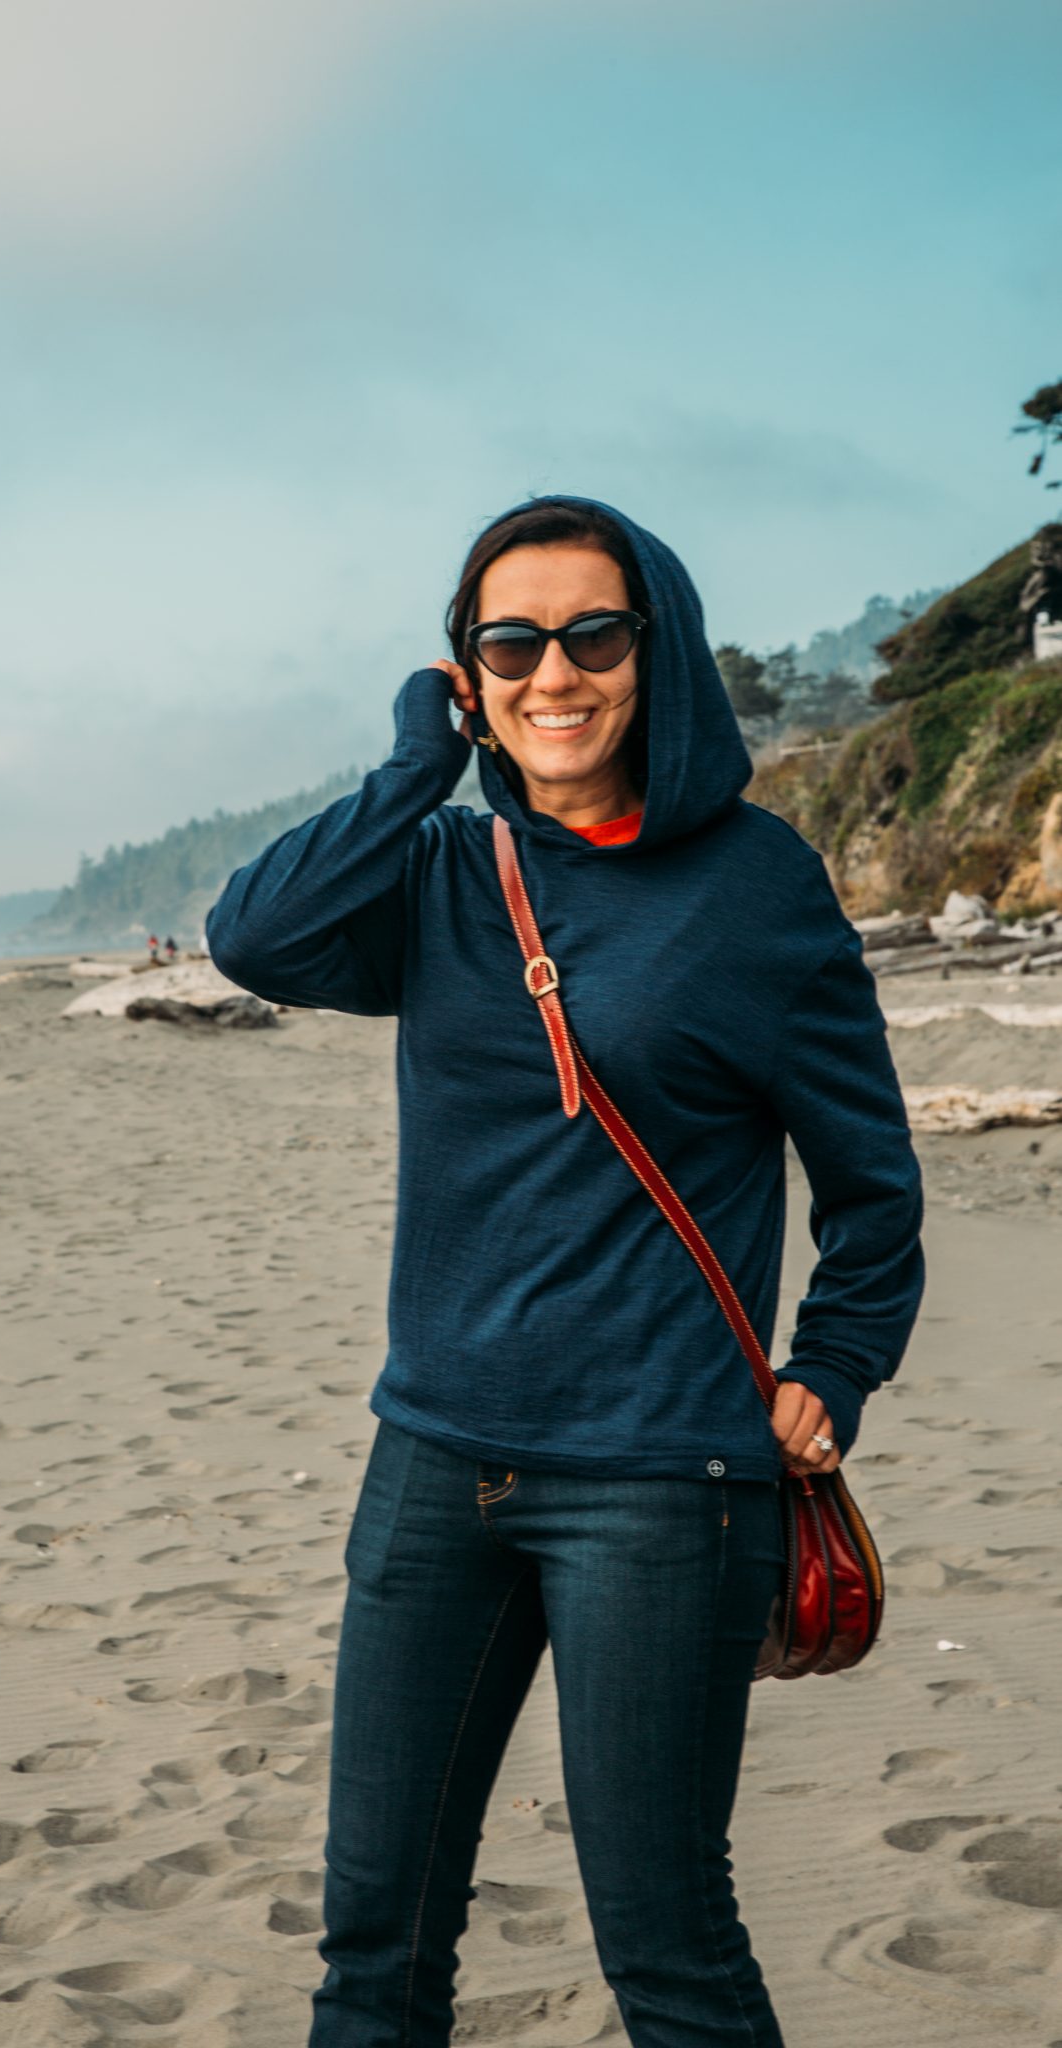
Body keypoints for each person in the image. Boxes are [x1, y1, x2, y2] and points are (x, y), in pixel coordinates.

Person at [206, 495, 925, 2048]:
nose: (553, 673)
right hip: (434, 1460)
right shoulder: (441, 874)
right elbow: (252, 940)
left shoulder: (755, 887)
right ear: (467, 673)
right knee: (372, 1937)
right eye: (507, 642)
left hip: (666, 1484)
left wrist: (836, 1361)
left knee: (664, 1949)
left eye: (590, 634)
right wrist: (413, 767)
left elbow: (870, 1180)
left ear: (649, 650)